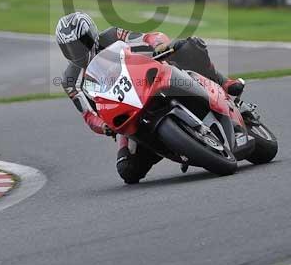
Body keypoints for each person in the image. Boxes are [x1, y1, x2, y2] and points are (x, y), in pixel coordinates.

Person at [56, 11, 247, 184]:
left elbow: (147, 37)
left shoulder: (112, 36)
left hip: (149, 81)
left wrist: (159, 45)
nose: (78, 51)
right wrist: (103, 126)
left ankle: (224, 83)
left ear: (92, 35)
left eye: (81, 43)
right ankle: (178, 145)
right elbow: (88, 115)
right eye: (70, 48)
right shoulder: (71, 81)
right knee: (127, 171)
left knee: (189, 46)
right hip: (124, 113)